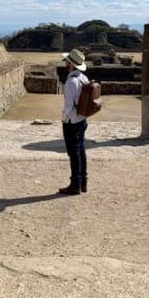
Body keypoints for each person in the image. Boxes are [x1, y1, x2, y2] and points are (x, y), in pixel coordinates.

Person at [59, 48, 89, 196]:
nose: (65, 63)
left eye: (67, 61)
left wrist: (64, 118)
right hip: (82, 119)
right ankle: (83, 181)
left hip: (72, 121)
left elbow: (68, 106)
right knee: (81, 150)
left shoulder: (71, 81)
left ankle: (75, 184)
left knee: (74, 152)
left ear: (70, 64)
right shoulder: (83, 78)